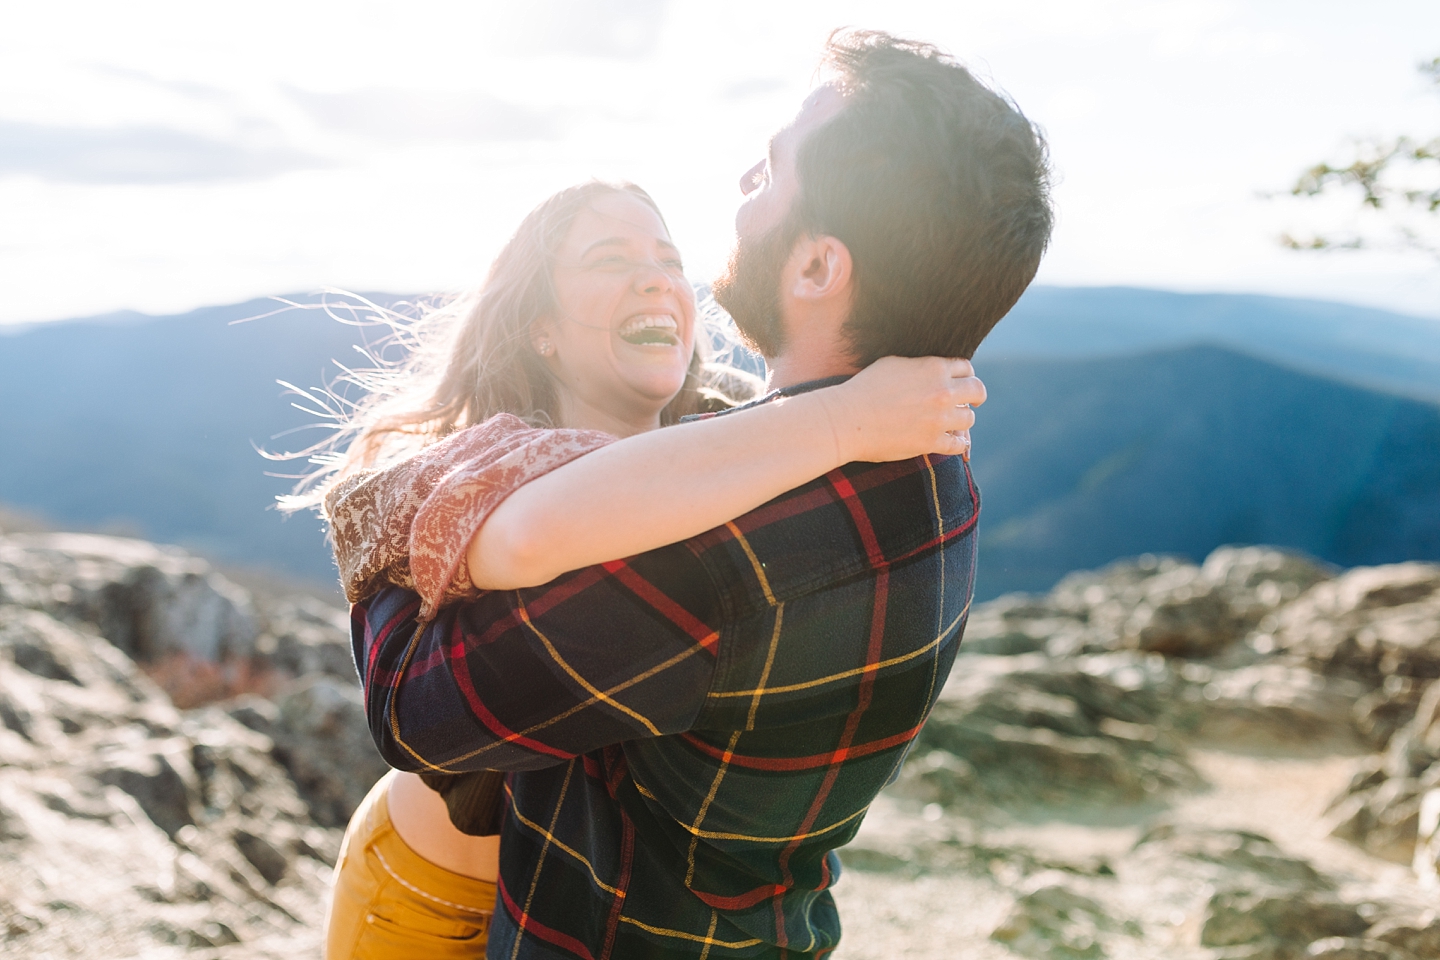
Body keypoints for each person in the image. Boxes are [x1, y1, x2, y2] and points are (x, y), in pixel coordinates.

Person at [351, 29, 1052, 959]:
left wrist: (394, 530)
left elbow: (415, 708)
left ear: (816, 269)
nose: (740, 189)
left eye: (768, 175)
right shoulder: (937, 476)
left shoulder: (715, 553)